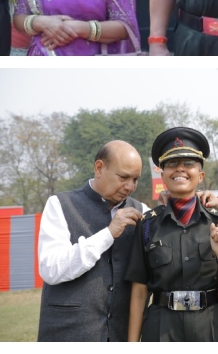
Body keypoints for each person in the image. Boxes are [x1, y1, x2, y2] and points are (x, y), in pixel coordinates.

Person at [125, 127, 218, 342]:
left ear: (201, 175)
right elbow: (139, 292)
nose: (180, 170)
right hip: (160, 329)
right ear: (162, 173)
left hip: (210, 328)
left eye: (188, 164)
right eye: (171, 164)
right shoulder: (147, 225)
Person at [37, 141, 146, 341]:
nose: (130, 186)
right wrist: (108, 234)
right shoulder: (59, 204)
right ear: (99, 168)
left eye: (135, 179)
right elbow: (50, 269)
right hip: (67, 336)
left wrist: (196, 200)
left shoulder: (142, 211)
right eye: (123, 177)